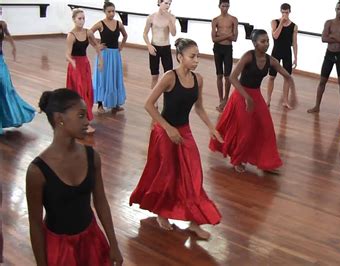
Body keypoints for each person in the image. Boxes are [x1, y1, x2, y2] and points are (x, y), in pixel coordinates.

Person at [129, 38, 223, 240]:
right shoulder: (169, 77)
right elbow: (148, 105)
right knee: (167, 173)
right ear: (180, 57)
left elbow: (198, 108)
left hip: (184, 130)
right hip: (165, 130)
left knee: (194, 174)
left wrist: (212, 128)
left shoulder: (198, 79)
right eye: (192, 56)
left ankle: (195, 222)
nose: (197, 60)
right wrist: (167, 128)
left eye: (198, 55)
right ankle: (162, 212)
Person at [26, 88, 123, 266]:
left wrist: (113, 244)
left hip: (92, 241)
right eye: (80, 116)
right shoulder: (37, 171)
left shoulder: (92, 156)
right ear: (59, 119)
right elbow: (35, 224)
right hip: (60, 249)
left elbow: (101, 201)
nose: (87, 121)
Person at [209, 29, 295, 173]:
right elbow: (232, 77)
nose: (266, 44)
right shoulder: (248, 56)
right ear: (255, 43)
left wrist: (293, 93)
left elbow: (287, 75)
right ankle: (237, 160)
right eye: (263, 41)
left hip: (255, 95)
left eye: (267, 41)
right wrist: (246, 97)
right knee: (246, 130)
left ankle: (268, 162)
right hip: (241, 95)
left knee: (267, 127)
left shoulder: (270, 60)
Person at [307, 0, 340, 116]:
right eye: (338, 9)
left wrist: (332, 36)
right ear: (335, 9)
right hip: (329, 55)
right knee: (322, 81)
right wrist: (339, 37)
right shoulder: (329, 23)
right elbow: (323, 38)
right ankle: (317, 106)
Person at [66, 9, 103, 134]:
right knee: (79, 93)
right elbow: (67, 54)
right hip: (75, 67)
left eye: (83, 18)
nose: (82, 21)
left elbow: (96, 46)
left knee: (87, 92)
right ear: (74, 19)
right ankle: (82, 123)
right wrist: (72, 62)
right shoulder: (71, 35)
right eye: (79, 18)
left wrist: (101, 60)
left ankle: (84, 120)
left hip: (84, 65)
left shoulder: (88, 33)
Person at [91, 1, 128, 114]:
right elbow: (89, 33)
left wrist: (121, 46)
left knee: (115, 77)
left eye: (113, 11)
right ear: (105, 12)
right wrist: (97, 46)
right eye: (109, 11)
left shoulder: (118, 24)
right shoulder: (100, 24)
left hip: (115, 54)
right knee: (103, 77)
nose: (112, 13)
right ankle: (100, 105)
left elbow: (125, 35)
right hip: (105, 54)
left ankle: (115, 104)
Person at [0, 20, 35, 135]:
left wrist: (13, 47)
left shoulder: (2, 24)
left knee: (6, 88)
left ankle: (15, 115)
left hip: (0, 61)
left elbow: (8, 35)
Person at [266, 3, 298, 109]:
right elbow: (275, 36)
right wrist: (281, 23)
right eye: (283, 12)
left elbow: (294, 42)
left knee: (287, 77)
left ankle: (285, 100)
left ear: (290, 12)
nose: (285, 14)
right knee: (271, 76)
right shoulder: (274, 22)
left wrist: (296, 57)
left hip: (287, 53)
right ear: (281, 11)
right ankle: (268, 100)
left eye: (287, 12)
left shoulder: (294, 26)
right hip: (276, 52)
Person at [144, 0, 177, 92]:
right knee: (154, 75)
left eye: (169, 4)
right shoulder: (151, 17)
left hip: (166, 47)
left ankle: (168, 99)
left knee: (169, 75)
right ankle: (153, 100)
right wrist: (149, 45)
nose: (168, 5)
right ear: (159, 2)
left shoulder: (172, 17)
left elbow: (173, 33)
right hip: (154, 47)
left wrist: (170, 20)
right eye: (166, 3)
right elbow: (145, 34)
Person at [211, 0, 238, 112]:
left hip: (228, 49)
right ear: (219, 6)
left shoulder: (233, 19)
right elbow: (214, 39)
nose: (225, 8)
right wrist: (228, 35)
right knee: (219, 75)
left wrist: (221, 35)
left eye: (227, 6)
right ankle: (221, 99)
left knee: (228, 76)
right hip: (218, 49)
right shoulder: (215, 20)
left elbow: (235, 38)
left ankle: (226, 99)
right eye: (223, 6)